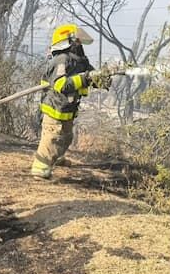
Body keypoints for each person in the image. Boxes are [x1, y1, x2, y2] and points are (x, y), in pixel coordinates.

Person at [30, 23, 111, 179]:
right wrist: (85, 78)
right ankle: (40, 169)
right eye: (77, 41)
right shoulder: (62, 60)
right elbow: (62, 84)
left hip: (67, 110)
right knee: (52, 138)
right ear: (68, 42)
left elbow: (89, 76)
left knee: (66, 138)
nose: (80, 45)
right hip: (55, 110)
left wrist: (101, 79)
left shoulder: (80, 61)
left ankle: (56, 158)